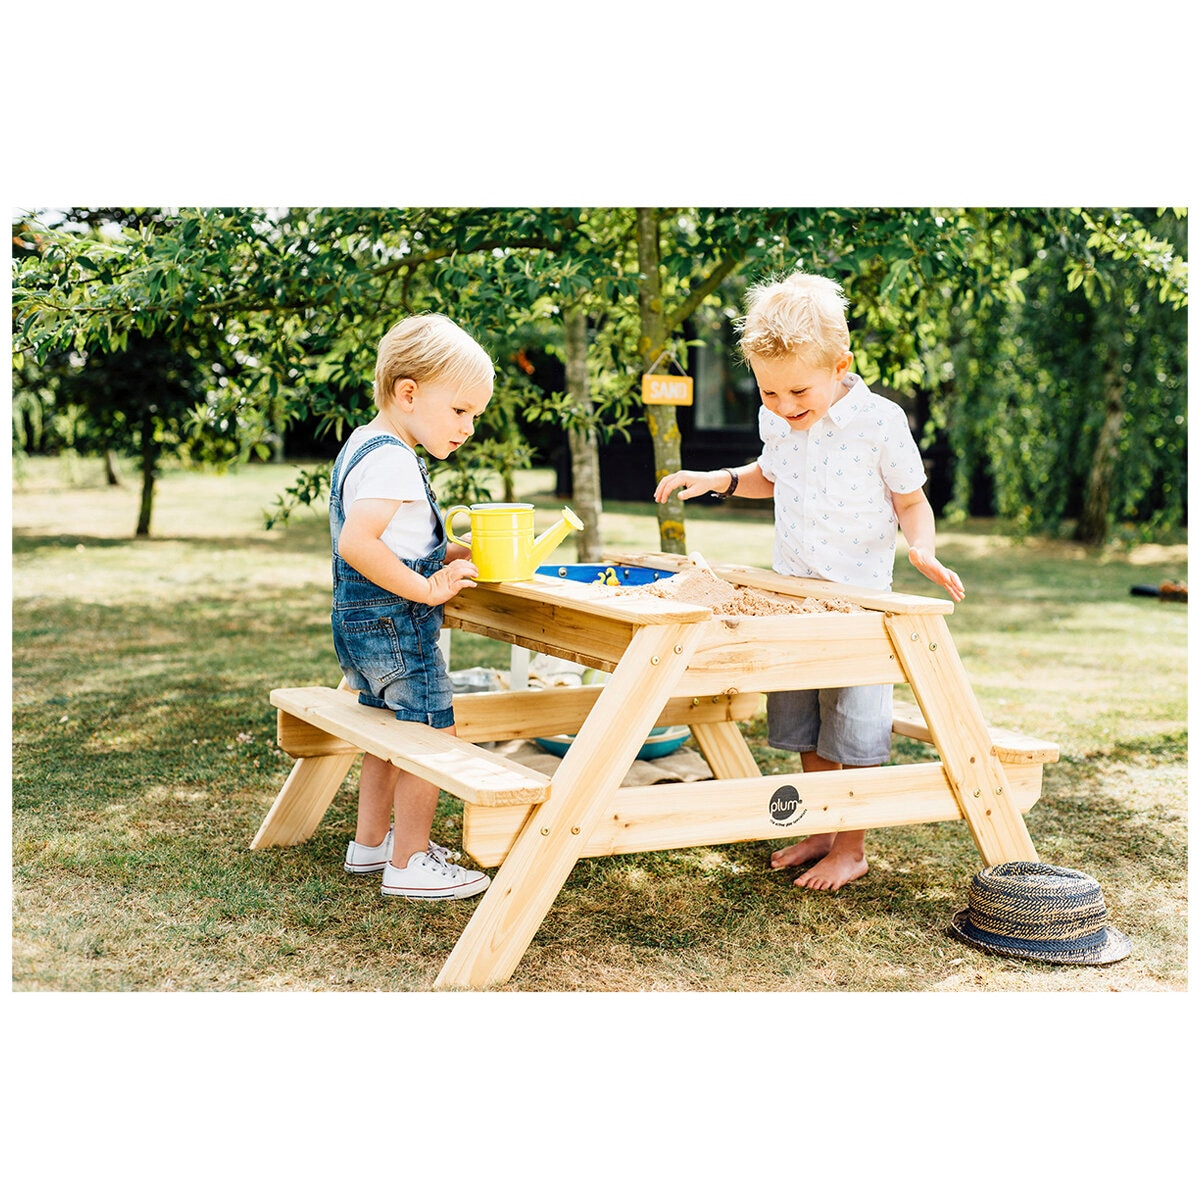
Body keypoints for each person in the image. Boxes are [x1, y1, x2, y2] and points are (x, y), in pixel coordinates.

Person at [653, 272, 964, 892]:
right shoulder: (778, 419)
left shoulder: (881, 422)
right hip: (793, 598)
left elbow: (912, 502)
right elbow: (773, 474)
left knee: (854, 727)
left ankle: (852, 847)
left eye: (798, 391)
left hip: (859, 605)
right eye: (769, 393)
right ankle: (821, 828)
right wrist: (719, 478)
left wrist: (922, 551)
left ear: (840, 365)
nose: (785, 406)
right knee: (803, 720)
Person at [331, 313, 494, 900]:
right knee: (431, 729)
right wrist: (428, 589)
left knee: (386, 733)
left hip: (360, 623)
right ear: (408, 393)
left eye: (475, 415)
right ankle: (410, 863)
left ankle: (371, 846)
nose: (469, 427)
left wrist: (448, 551)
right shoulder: (395, 458)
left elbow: (395, 538)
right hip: (395, 623)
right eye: (460, 411)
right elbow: (358, 541)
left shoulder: (365, 445)